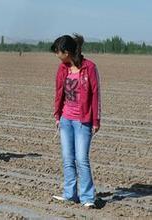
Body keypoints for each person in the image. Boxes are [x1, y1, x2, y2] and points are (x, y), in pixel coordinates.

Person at [50, 34, 101, 208]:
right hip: (66, 120)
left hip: (83, 120)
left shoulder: (90, 68)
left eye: (58, 51)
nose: (57, 55)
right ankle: (70, 194)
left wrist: (96, 120)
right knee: (67, 158)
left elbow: (95, 95)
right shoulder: (62, 69)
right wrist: (57, 115)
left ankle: (87, 198)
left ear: (67, 52)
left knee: (81, 159)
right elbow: (59, 93)